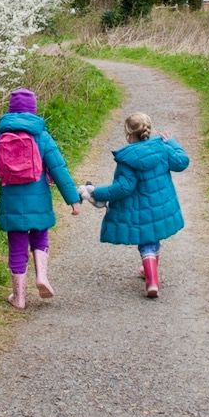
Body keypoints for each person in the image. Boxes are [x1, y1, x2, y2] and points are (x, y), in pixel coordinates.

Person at [0, 87, 81, 310]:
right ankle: (42, 277)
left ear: (10, 110)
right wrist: (73, 200)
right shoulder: (42, 137)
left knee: (17, 246)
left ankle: (18, 297)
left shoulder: (0, 139)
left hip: (11, 203)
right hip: (39, 201)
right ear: (33, 110)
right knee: (40, 237)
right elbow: (59, 169)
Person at [79, 112, 189, 298]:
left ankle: (152, 280)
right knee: (154, 237)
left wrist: (95, 192)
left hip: (141, 211)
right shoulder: (162, 148)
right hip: (161, 206)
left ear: (128, 133)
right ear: (149, 129)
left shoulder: (128, 159)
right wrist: (172, 143)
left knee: (146, 242)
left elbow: (123, 188)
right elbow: (182, 162)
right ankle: (149, 273)